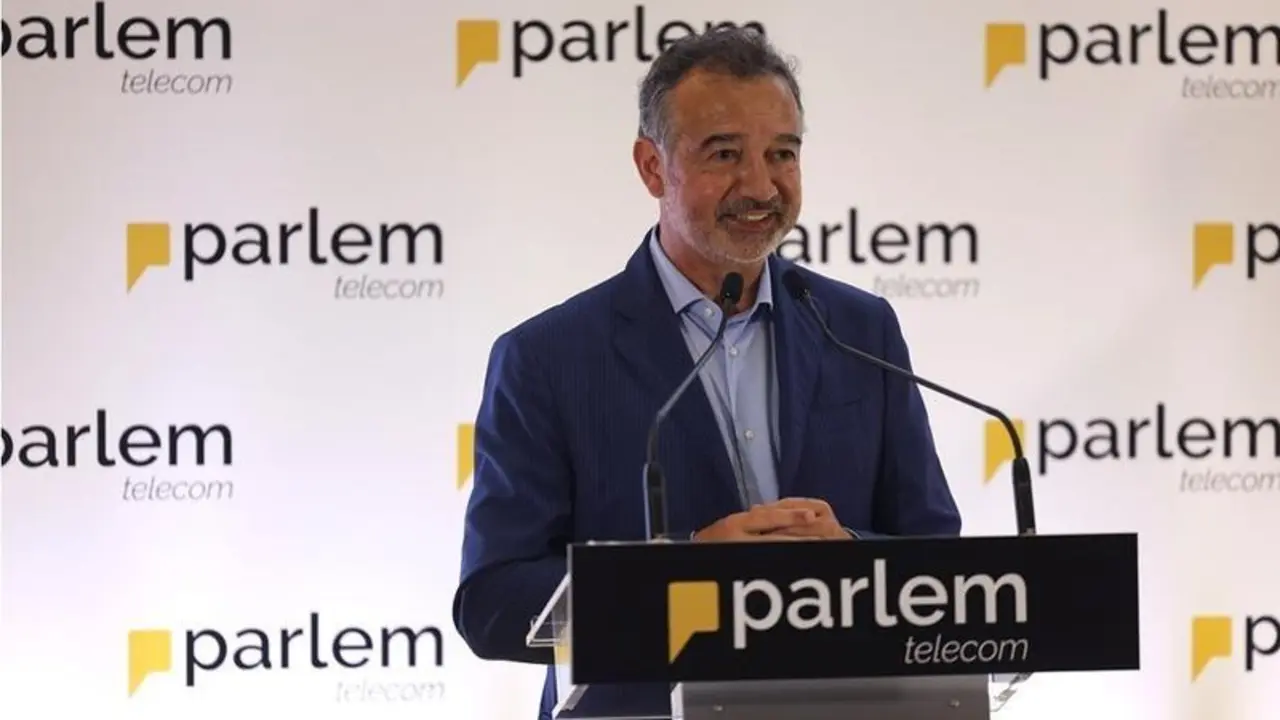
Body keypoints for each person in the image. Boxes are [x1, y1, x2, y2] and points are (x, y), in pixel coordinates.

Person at [452, 27, 961, 719]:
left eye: (782, 154)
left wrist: (846, 554)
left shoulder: (859, 329)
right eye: (725, 154)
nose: (761, 185)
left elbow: (937, 555)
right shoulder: (547, 357)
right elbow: (492, 602)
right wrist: (682, 574)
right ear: (652, 167)